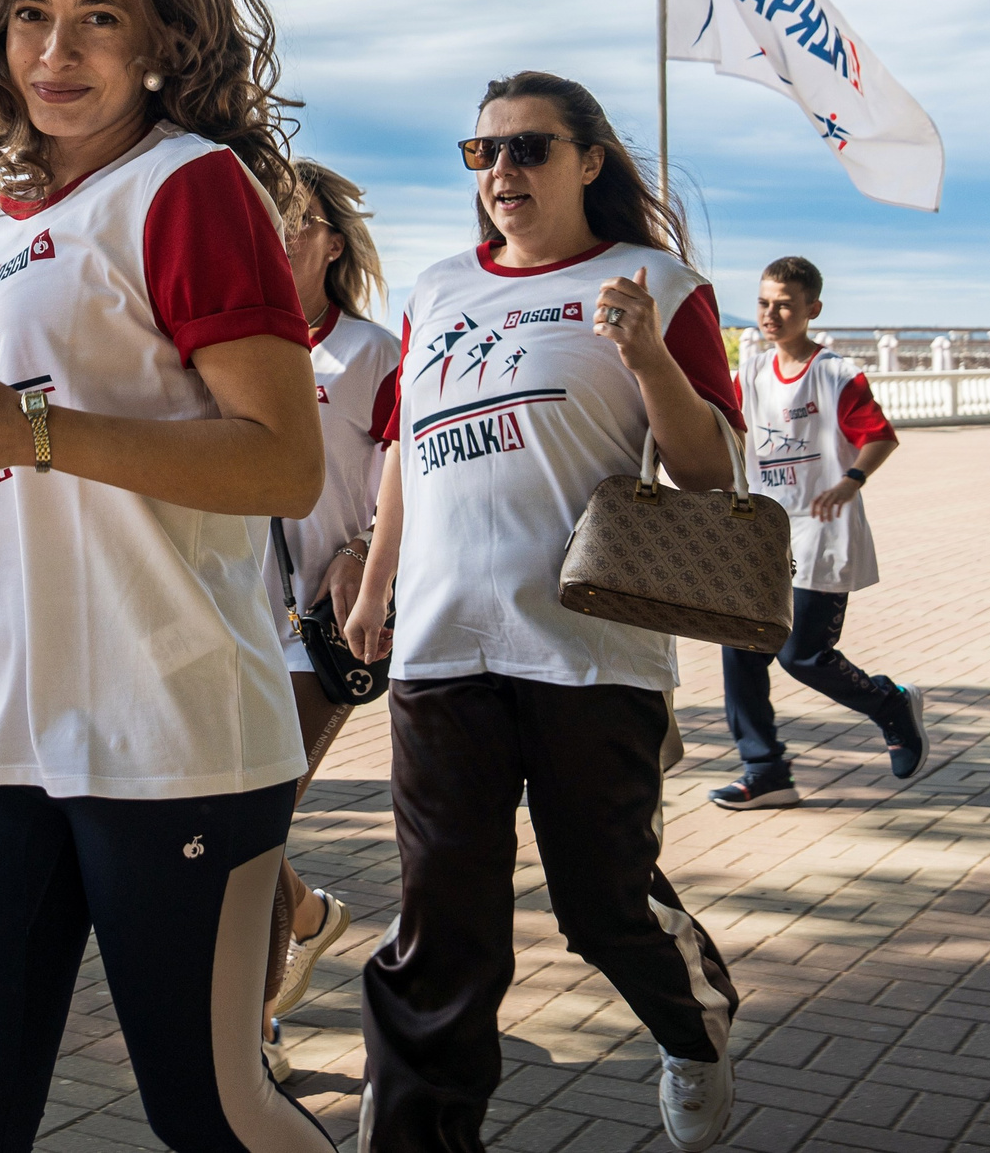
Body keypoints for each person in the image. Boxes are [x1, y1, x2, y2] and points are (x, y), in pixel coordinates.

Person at [0, 0, 334, 1152]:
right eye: (30, 15)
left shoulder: (188, 185)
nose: (57, 50)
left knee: (211, 1110)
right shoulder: (16, 221)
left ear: (165, 40)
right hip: (0, 730)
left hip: (169, 733)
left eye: (99, 16)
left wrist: (31, 429)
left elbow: (282, 462)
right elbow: (67, 490)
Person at [340, 70, 745, 1153]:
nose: (502, 172)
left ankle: (694, 1028)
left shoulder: (654, 281)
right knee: (441, 930)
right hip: (439, 649)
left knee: (602, 905)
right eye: (483, 154)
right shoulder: (433, 291)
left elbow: (709, 474)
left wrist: (647, 353)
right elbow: (404, 459)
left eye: (527, 148)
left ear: (588, 160)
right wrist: (377, 587)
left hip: (587, 648)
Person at [257, 160, 399, 1081]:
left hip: (320, 625)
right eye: (268, 220)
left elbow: (409, 476)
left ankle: (252, 1027)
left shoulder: (373, 354)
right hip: (228, 615)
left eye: (297, 223)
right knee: (238, 817)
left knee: (257, 819)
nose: (279, 235)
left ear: (332, 246)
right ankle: (305, 916)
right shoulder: (234, 345)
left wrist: (368, 551)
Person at [709, 254, 929, 810]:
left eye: (784, 303)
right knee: (740, 645)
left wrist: (850, 480)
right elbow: (734, 436)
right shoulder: (752, 372)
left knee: (803, 654)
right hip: (764, 531)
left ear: (812, 309)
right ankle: (765, 771)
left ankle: (891, 706)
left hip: (822, 530)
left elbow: (880, 436)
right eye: (763, 302)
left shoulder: (834, 374)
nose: (771, 313)